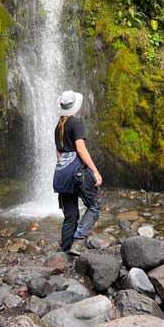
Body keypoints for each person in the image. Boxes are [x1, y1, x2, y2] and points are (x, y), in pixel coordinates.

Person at [55, 90, 102, 255]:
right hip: (77, 173)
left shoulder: (58, 127)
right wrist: (95, 171)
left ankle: (65, 251)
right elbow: (81, 150)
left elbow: (59, 154)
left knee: (70, 215)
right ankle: (79, 241)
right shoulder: (76, 123)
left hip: (61, 173)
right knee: (94, 206)